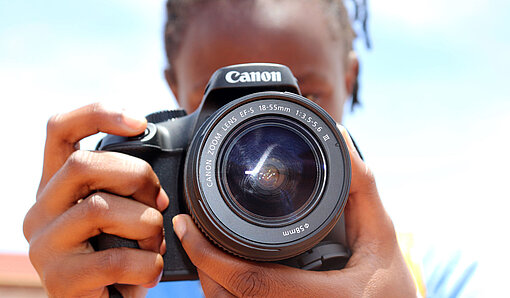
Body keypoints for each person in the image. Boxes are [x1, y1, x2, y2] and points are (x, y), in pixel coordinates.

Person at [23, 0, 419, 297]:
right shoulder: (145, 275)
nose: (259, 136)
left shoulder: (431, 276)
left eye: (305, 97)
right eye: (227, 107)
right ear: (175, 90)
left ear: (350, 78)